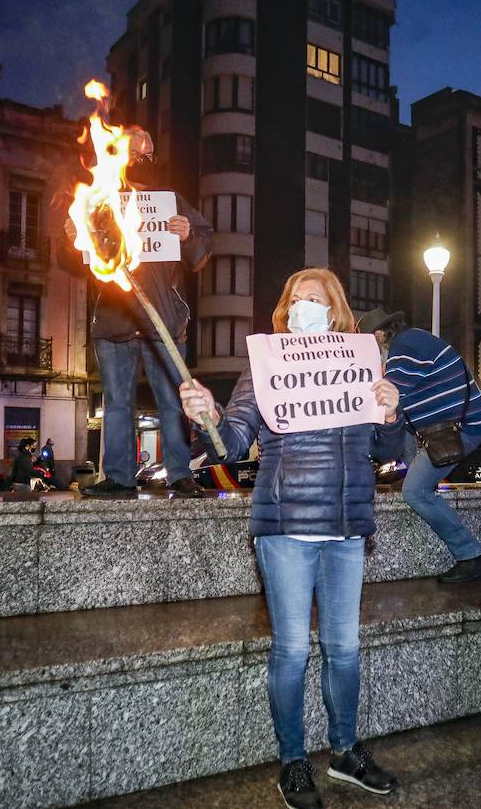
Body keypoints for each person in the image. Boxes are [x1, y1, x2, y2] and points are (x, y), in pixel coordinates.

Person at [179, 268, 404, 809]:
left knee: (345, 650)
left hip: (348, 525)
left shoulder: (362, 363)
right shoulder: (265, 368)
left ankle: (345, 751)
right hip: (285, 526)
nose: (306, 306)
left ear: (337, 312)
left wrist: (392, 409)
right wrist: (207, 417)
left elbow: (387, 444)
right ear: (284, 311)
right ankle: (293, 761)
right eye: (297, 299)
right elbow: (231, 443)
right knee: (292, 649)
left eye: (316, 300)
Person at [61, 133, 213, 499]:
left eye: (148, 150)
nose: (141, 155)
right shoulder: (98, 202)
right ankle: (118, 476)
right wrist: (74, 238)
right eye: (134, 149)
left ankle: (180, 473)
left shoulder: (170, 202)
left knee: (173, 399)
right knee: (116, 402)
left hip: (164, 321)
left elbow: (201, 254)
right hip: (115, 320)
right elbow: (75, 264)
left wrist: (189, 233)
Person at [359, 307, 481, 582]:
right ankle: (421, 484)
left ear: (380, 335)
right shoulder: (411, 340)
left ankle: (473, 556)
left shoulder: (403, 348)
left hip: (460, 430)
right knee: (396, 442)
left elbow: (385, 399)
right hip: (437, 430)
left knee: (415, 492)